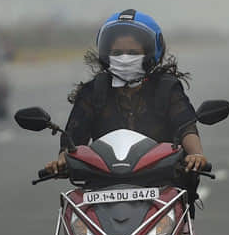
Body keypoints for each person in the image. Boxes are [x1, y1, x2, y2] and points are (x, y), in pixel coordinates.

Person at [45, 9, 208, 175]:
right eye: (117, 53)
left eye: (133, 53)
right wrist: (62, 160)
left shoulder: (166, 87)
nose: (124, 58)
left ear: (151, 54)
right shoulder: (94, 91)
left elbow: (186, 127)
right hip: (102, 183)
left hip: (162, 180)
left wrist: (196, 154)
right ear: (106, 55)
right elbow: (73, 139)